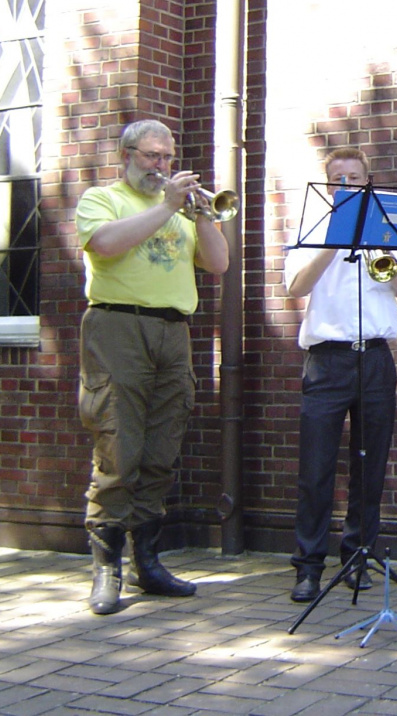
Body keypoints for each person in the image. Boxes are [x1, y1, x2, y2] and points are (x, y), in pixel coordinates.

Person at [75, 119, 230, 615]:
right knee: (118, 443)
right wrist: (166, 207)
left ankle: (148, 562)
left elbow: (220, 263)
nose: (161, 166)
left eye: (166, 157)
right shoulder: (103, 198)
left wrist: (204, 216)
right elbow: (104, 246)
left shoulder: (183, 210)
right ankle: (106, 569)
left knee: (162, 446)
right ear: (126, 155)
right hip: (117, 326)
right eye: (151, 156)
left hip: (173, 332)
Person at [284, 147, 397, 603]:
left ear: (367, 181)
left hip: (375, 358)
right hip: (327, 359)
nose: (345, 184)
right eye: (337, 179)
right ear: (328, 187)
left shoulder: (389, 225)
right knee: (317, 467)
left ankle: (358, 556)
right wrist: (333, 243)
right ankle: (308, 566)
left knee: (370, 465)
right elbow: (295, 287)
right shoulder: (311, 227)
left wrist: (382, 249)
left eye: (354, 177)